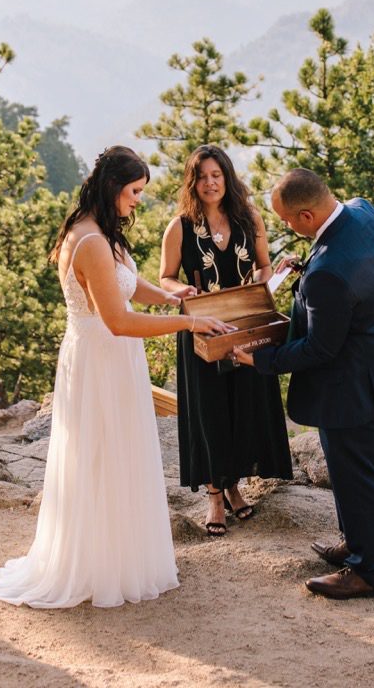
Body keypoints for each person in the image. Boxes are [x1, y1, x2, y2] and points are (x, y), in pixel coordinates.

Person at [0, 146, 232, 608]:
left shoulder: (98, 231)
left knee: (117, 454)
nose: (138, 200)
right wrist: (189, 323)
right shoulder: (91, 242)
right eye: (135, 191)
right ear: (116, 187)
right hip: (102, 359)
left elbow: (126, 283)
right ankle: (99, 566)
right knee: (100, 457)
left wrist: (172, 298)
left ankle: (118, 554)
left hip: (111, 358)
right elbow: (117, 319)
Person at [230, 169, 374, 600]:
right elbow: (350, 277)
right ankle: (353, 542)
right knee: (347, 470)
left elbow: (318, 349)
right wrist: (306, 273)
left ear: (306, 215)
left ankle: (368, 571)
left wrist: (261, 358)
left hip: (348, 386)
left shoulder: (327, 272)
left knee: (356, 473)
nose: (287, 227)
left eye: (288, 220)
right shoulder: (363, 213)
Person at [159, 145, 293, 536]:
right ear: (192, 182)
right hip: (202, 329)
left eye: (216, 175)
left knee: (244, 404)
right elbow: (165, 276)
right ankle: (216, 495)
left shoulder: (249, 218)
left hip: (246, 323)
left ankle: (235, 486)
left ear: (227, 177)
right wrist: (181, 289)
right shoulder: (179, 227)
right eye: (202, 176)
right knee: (211, 410)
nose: (210, 183)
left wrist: (269, 276)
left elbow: (263, 267)